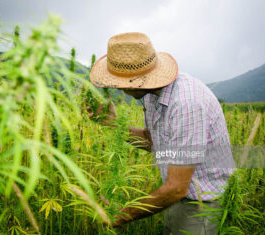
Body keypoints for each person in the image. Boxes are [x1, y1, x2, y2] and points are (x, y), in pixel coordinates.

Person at [88, 32, 235, 235]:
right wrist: (114, 124)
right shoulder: (151, 95)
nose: (118, 87)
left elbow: (177, 187)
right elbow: (153, 142)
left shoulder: (187, 104)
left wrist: (121, 215)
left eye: (120, 81)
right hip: (173, 197)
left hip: (201, 205)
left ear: (138, 80)